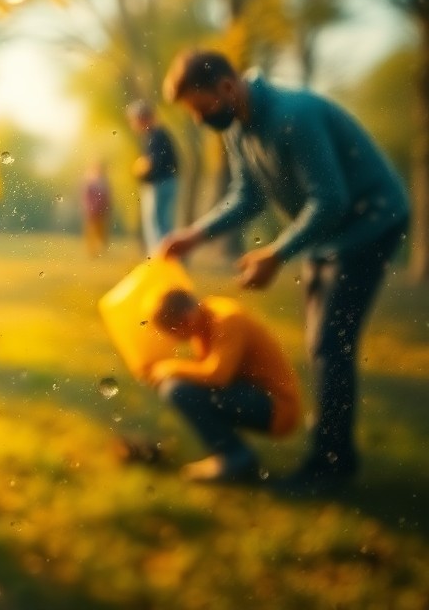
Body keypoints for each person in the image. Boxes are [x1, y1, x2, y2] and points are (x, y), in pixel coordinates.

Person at [159, 50, 410, 495]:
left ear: (227, 88)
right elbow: (247, 195)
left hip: (371, 223)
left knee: (331, 343)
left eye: (200, 108)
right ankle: (331, 453)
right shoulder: (240, 128)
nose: (199, 120)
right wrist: (196, 234)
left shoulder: (295, 115)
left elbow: (329, 199)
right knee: (322, 343)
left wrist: (276, 254)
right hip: (329, 233)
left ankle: (331, 466)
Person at [146, 289, 300, 483]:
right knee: (180, 388)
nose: (173, 339)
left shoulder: (226, 319)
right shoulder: (204, 320)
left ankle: (236, 457)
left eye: (172, 332)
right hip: (257, 397)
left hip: (278, 408)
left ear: (186, 319)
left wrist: (171, 367)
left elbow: (217, 376)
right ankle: (232, 455)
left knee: (178, 390)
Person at [127, 100, 179, 255]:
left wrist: (139, 168)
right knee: (162, 224)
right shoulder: (158, 134)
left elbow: (152, 163)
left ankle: (160, 260)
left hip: (159, 184)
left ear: (143, 118)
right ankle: (163, 258)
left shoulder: (155, 136)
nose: (133, 125)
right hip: (167, 182)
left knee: (156, 225)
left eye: (134, 120)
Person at [82, 160, 113, 257]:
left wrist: (107, 207)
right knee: (91, 230)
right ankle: (92, 251)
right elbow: (86, 196)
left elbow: (107, 197)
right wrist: (88, 207)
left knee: (101, 231)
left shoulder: (104, 182)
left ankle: (102, 250)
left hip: (101, 210)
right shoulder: (91, 181)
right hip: (92, 210)